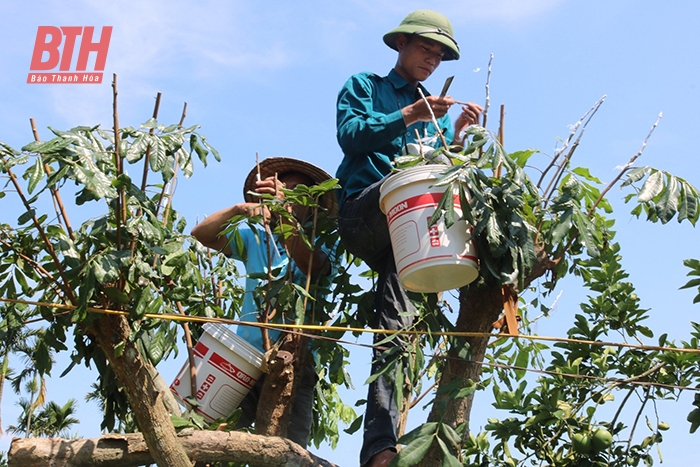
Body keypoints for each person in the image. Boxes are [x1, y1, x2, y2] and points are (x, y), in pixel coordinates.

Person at [334, 10, 484, 467]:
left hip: (407, 232)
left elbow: (433, 173)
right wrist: (409, 114)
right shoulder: (366, 86)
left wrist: (455, 141)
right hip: (365, 212)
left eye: (439, 56)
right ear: (401, 43)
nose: (432, 61)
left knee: (395, 329)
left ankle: (378, 448)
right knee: (405, 187)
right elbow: (350, 136)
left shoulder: (434, 119)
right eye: (425, 49)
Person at [190, 157, 338, 447]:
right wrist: (239, 209)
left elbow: (312, 265)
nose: (287, 194)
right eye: (284, 188)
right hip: (243, 360)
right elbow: (202, 234)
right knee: (205, 440)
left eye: (298, 191)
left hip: (295, 365)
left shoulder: (325, 240)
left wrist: (284, 217)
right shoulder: (257, 236)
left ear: (314, 204)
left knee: (289, 452)